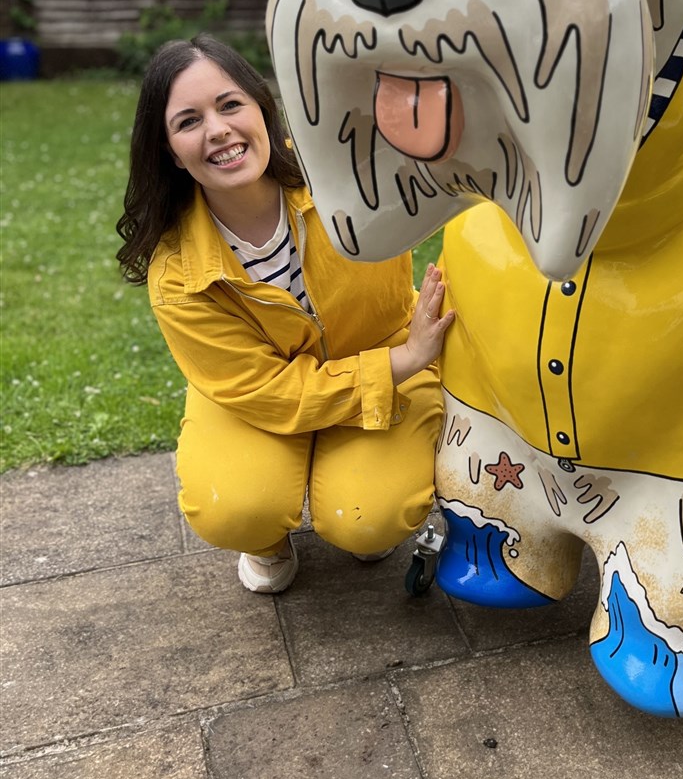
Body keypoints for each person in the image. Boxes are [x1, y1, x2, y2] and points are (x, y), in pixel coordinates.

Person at [116, 34, 453, 593]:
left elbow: (435, 162)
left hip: (378, 351)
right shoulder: (178, 273)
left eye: (229, 105)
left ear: (261, 109)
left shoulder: (345, 172)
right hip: (269, 392)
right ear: (170, 151)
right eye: (188, 121)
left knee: (366, 520)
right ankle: (267, 540)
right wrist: (406, 360)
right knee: (234, 506)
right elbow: (268, 391)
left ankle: (354, 496)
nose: (218, 130)